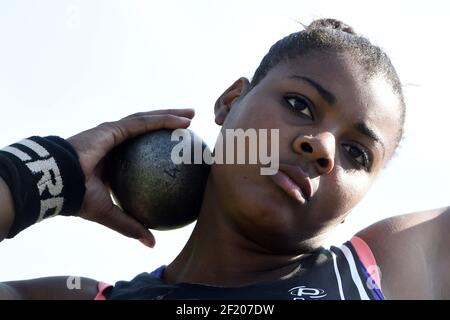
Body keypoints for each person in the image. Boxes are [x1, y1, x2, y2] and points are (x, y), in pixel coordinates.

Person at [0, 18, 448, 300]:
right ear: (231, 102)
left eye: (356, 153)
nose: (322, 148)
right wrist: (44, 175)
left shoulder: (385, 277)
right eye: (300, 105)